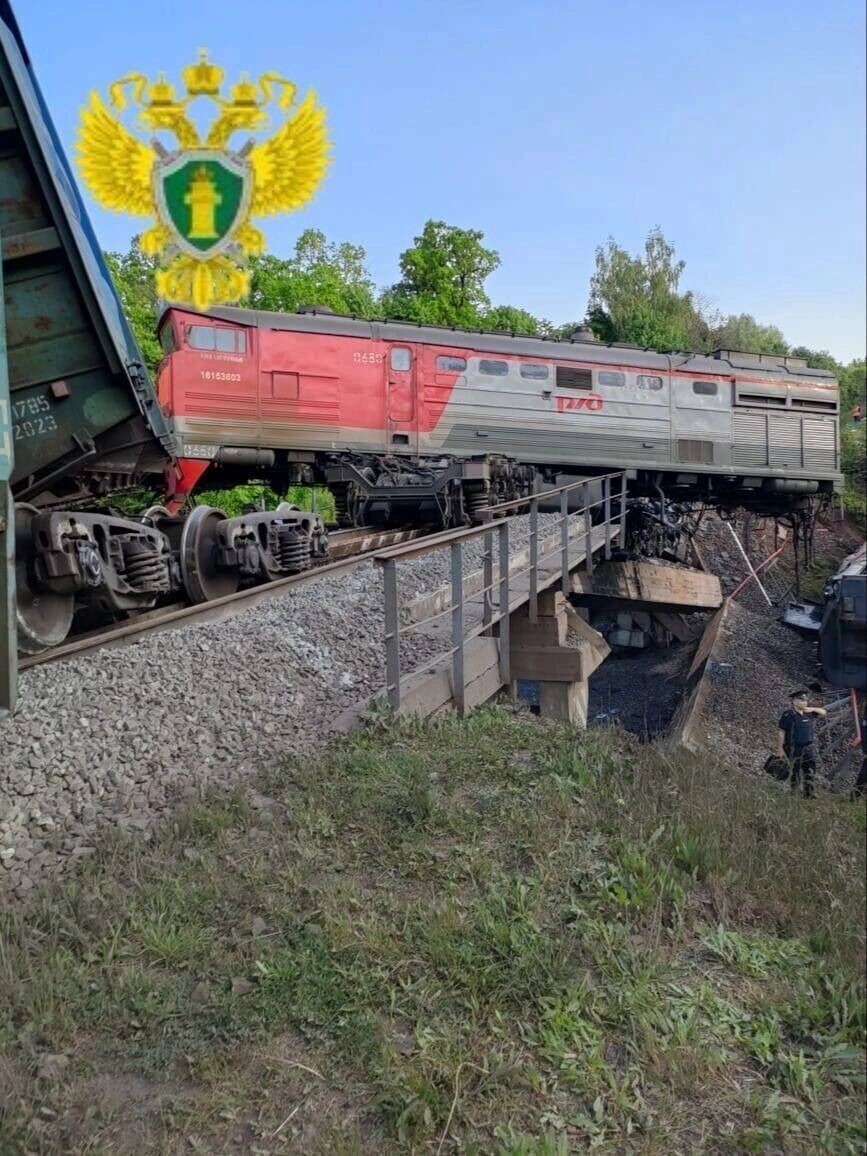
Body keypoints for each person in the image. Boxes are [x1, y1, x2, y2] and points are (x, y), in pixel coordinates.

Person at [777, 689, 827, 798]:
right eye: (801, 700)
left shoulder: (809, 713)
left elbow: (824, 712)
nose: (804, 702)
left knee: (810, 769)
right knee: (796, 771)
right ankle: (794, 793)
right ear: (794, 701)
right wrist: (780, 749)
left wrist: (811, 708)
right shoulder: (787, 715)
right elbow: (781, 732)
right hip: (794, 747)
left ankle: (808, 793)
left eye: (805, 700)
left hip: (808, 747)